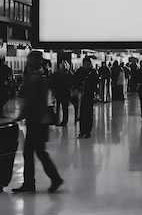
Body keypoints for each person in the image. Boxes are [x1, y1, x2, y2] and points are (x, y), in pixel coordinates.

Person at [12, 51, 63, 193]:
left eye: (29, 59)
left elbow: (31, 102)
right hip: (41, 121)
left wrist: (21, 115)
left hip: (36, 122)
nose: (27, 61)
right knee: (39, 152)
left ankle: (33, 182)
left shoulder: (33, 78)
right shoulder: (39, 77)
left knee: (30, 152)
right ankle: (52, 179)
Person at [75, 57, 99, 138]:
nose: (86, 65)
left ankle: (88, 131)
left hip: (89, 94)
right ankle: (82, 131)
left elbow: (96, 83)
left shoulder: (93, 72)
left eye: (88, 63)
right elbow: (76, 81)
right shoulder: (79, 71)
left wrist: (95, 92)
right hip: (81, 95)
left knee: (88, 113)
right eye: (85, 63)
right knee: (81, 114)